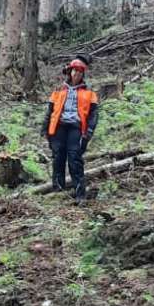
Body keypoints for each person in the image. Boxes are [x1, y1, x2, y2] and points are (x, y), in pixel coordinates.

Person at [44, 58, 98, 202]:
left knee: (74, 158)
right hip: (59, 126)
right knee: (58, 157)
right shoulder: (58, 90)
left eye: (80, 72)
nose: (77, 74)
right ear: (70, 72)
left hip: (76, 127)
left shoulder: (90, 93)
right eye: (75, 71)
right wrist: (46, 130)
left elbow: (93, 115)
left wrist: (89, 133)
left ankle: (80, 193)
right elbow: (50, 112)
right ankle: (58, 190)